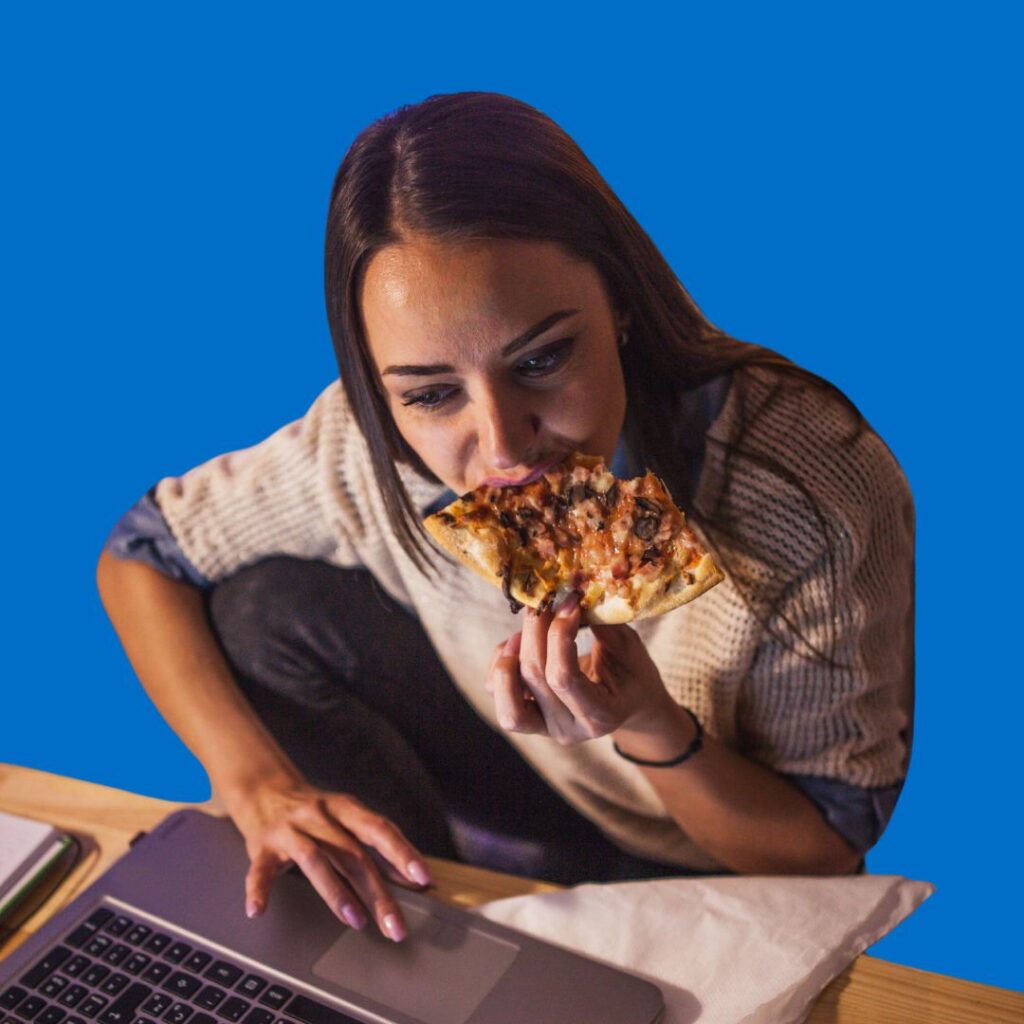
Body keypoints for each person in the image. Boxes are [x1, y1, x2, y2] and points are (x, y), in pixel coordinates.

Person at [97, 92, 914, 945]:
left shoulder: (812, 485)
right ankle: (412, 919)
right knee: (260, 608)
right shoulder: (362, 450)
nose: (502, 446)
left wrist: (647, 722)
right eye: (431, 392)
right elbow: (142, 551)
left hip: (713, 855)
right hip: (514, 785)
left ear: (622, 304)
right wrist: (255, 783)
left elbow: (824, 848)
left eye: (543, 358)